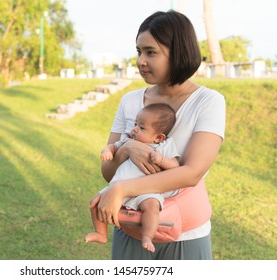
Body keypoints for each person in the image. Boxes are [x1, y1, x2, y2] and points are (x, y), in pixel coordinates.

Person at [89, 10, 226, 260]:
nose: (141, 61)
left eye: (151, 52)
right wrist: (128, 149)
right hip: (130, 230)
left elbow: (192, 172)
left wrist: (121, 189)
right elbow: (107, 171)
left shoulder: (208, 102)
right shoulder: (130, 101)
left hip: (186, 235)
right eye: (139, 51)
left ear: (178, 51)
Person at [85, 103, 180, 252]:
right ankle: (101, 233)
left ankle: (147, 236)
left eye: (141, 127)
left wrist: (161, 160)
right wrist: (107, 151)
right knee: (94, 203)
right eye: (136, 124)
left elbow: (175, 165)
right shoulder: (129, 139)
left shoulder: (165, 146)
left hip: (146, 190)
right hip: (118, 186)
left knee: (152, 208)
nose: (134, 129)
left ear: (158, 137)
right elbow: (112, 146)